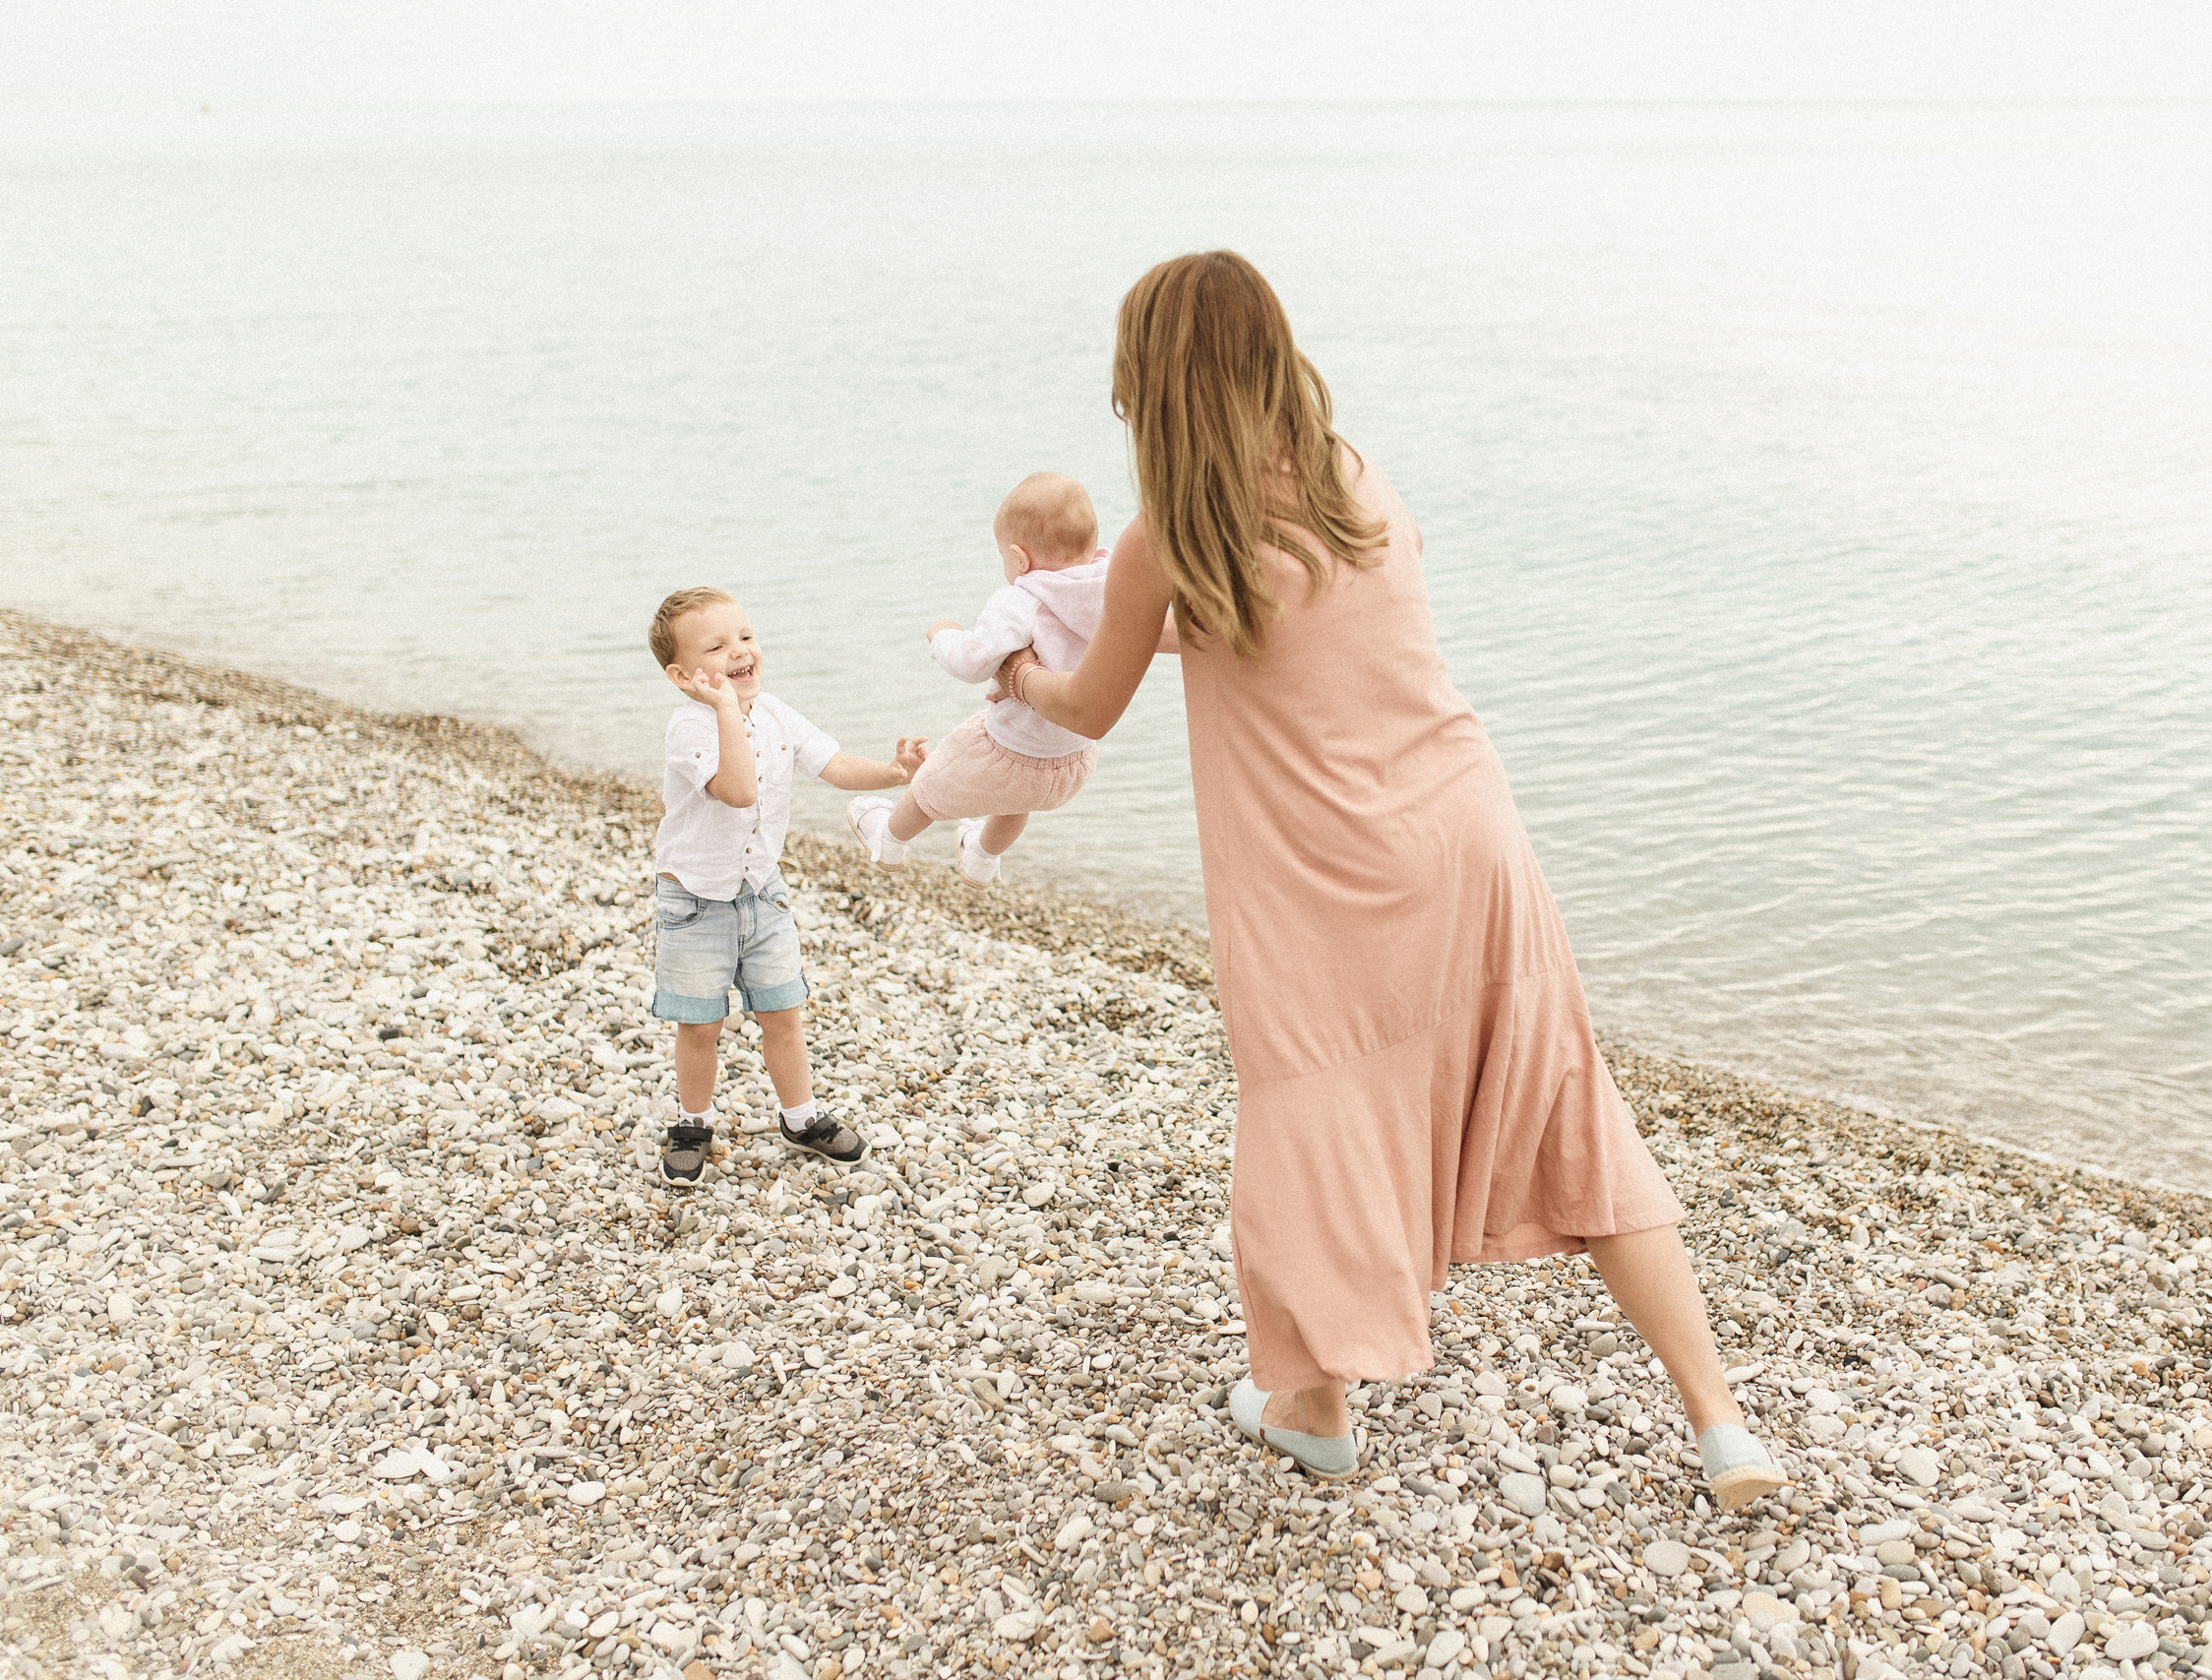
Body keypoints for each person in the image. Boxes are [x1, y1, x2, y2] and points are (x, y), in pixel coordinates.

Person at [996, 252, 1789, 1509]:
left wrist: (1015, 671)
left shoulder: (1172, 540)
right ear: (1271, 353)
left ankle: (1315, 1408)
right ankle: (1723, 1423)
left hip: (1322, 880)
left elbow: (1084, 706)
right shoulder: (1354, 478)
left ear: (1146, 378)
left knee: (1309, 1118)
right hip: (1468, 832)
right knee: (1574, 1111)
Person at [645, 586, 927, 1188]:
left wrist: (896, 773)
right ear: (681, 675)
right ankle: (694, 1122)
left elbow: (835, 764)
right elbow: (740, 791)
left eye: (745, 637)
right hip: (695, 902)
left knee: (783, 1012)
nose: (740, 653)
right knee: (699, 1024)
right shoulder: (689, 727)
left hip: (762, 894)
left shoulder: (775, 713)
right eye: (717, 647)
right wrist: (724, 712)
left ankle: (800, 1118)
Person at [850, 473, 1108, 887]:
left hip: (1007, 750)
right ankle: (982, 859)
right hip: (1072, 761)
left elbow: (973, 663)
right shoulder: (1108, 587)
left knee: (928, 788)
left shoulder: (1022, 599)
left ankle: (889, 841)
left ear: (1020, 559)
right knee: (1016, 800)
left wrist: (943, 635)